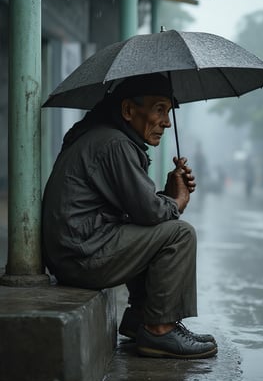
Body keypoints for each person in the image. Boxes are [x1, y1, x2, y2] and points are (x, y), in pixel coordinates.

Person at [42, 73, 217, 359]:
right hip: (80, 257)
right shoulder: (115, 144)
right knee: (180, 233)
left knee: (161, 226)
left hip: (74, 252)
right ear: (128, 110)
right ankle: (159, 329)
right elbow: (151, 213)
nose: (166, 122)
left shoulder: (105, 137)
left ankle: (140, 320)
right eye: (159, 109)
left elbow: (138, 210)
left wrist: (168, 194)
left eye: (168, 112)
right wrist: (178, 200)